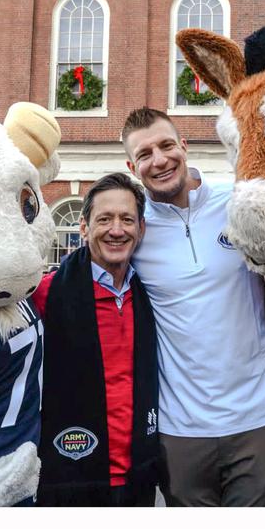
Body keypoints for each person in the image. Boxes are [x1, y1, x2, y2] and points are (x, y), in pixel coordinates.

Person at [122, 108, 265, 506]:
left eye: (166, 145)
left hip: (260, 417)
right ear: (133, 167)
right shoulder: (133, 230)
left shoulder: (237, 202)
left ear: (184, 146)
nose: (159, 160)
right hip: (179, 428)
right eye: (145, 154)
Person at [31, 172, 160, 506]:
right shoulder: (47, 294)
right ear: (84, 227)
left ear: (140, 229)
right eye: (105, 219)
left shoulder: (151, 295)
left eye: (127, 220)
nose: (116, 230)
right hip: (68, 475)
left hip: (140, 474)